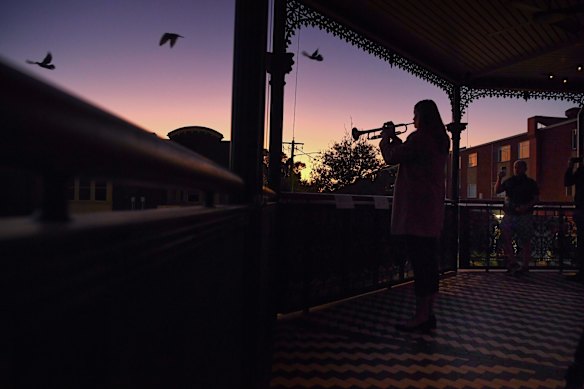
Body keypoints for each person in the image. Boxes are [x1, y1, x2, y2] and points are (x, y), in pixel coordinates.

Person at [379, 99, 450, 333]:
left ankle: (420, 317)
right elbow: (410, 155)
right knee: (429, 265)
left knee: (421, 266)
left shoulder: (421, 138)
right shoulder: (439, 139)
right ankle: (427, 314)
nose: (412, 119)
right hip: (430, 211)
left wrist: (386, 138)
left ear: (423, 116)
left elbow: (392, 157)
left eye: (415, 114)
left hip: (415, 212)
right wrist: (398, 142)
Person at [494, 160, 539, 275]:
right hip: (510, 214)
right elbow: (497, 190)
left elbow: (536, 198)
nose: (516, 169)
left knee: (525, 241)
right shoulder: (510, 181)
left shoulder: (530, 183)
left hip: (524, 215)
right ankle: (513, 262)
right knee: (506, 237)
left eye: (519, 167)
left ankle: (524, 266)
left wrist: (526, 207)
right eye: (515, 167)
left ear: (525, 169)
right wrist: (499, 178)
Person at [564, 157, 584, 283]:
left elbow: (568, 182)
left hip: (581, 209)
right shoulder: (581, 170)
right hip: (581, 208)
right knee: (581, 241)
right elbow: (568, 182)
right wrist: (570, 166)